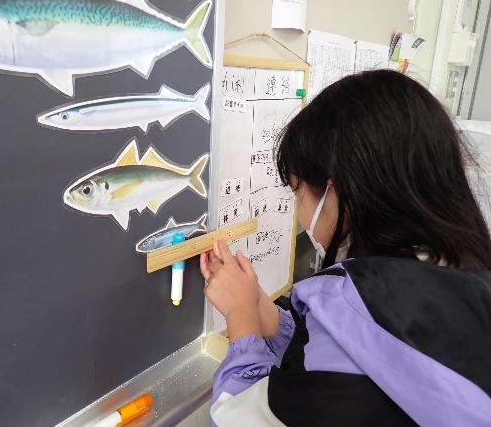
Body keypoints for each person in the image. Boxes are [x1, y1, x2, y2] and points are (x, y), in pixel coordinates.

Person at [200, 70, 491, 426]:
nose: (300, 211)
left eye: (297, 191)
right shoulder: (457, 269)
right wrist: (259, 306)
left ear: (338, 195)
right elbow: (358, 349)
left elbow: (241, 416)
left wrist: (240, 318)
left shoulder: (359, 307)